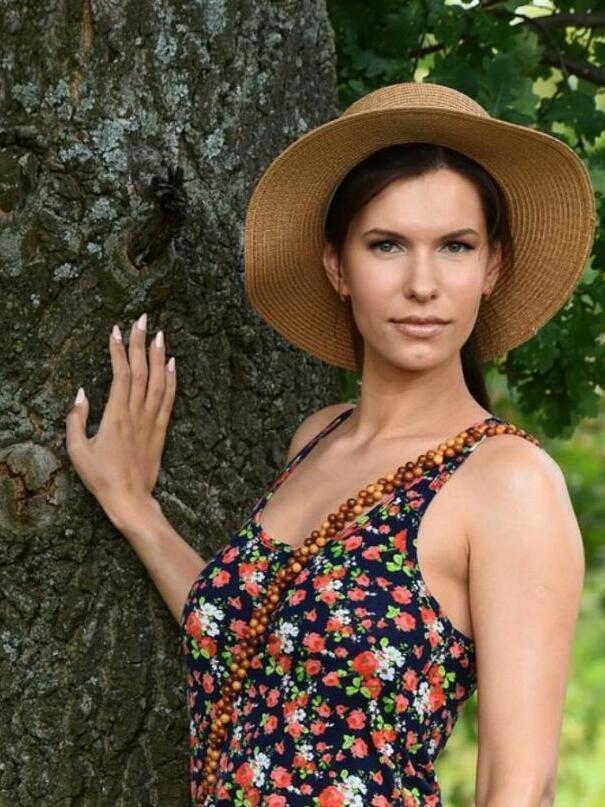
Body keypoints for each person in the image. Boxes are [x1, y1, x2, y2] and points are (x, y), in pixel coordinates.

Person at [65, 82, 596, 807]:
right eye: (386, 245)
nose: (422, 284)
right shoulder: (318, 437)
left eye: (455, 246)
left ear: (491, 267)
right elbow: (259, 649)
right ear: (337, 267)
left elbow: (520, 787)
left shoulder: (507, 480)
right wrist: (135, 509)